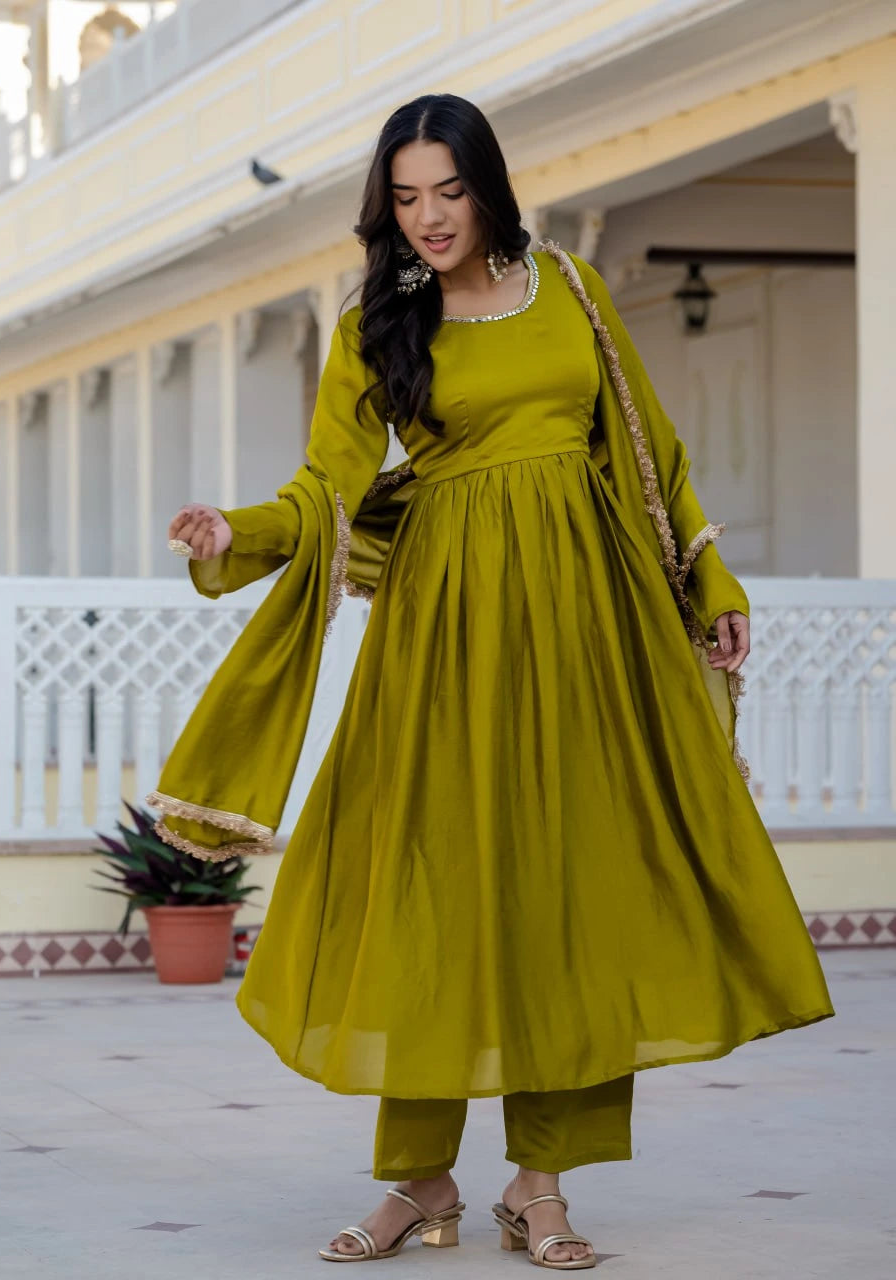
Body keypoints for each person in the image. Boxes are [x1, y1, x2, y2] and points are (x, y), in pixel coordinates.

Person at [153, 94, 834, 1269]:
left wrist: (710, 579)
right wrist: (235, 536)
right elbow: (326, 486)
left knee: (570, 890)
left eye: (447, 191)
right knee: (431, 891)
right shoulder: (380, 322)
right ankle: (419, 1179)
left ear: (487, 186)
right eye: (405, 196)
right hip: (443, 639)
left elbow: (649, 449)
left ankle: (539, 1184)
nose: (426, 217)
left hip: (590, 634)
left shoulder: (568, 290)